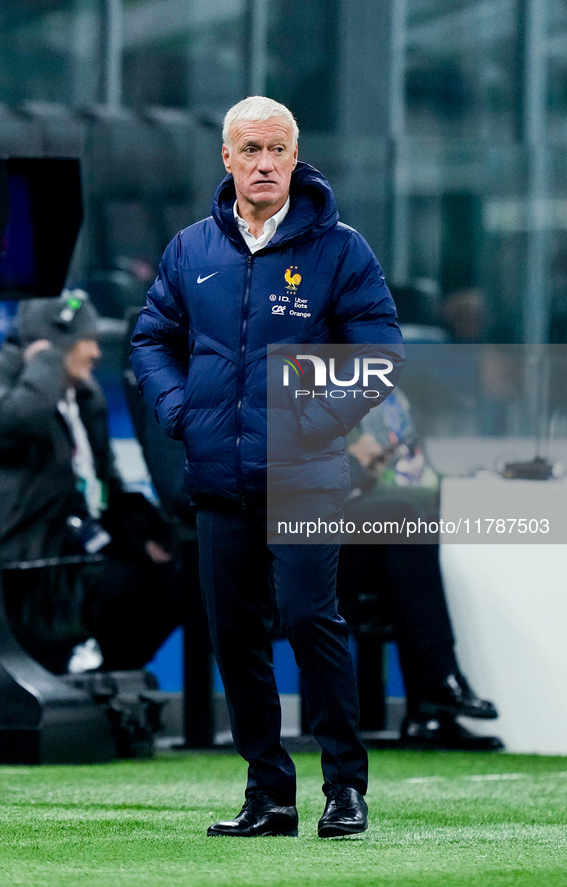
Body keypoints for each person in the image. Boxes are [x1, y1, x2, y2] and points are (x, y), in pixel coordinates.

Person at [131, 96, 403, 839]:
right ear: (225, 158)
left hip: (307, 475)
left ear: (295, 157)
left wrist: (309, 425)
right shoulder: (191, 249)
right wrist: (182, 412)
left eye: (275, 149)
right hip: (219, 478)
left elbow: (378, 355)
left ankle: (344, 788)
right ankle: (269, 795)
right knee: (235, 636)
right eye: (249, 149)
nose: (262, 163)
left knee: (313, 619)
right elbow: (150, 338)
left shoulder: (340, 249)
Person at [0, 289, 183, 674]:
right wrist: (45, 359)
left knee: (172, 581)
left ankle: (109, 681)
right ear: (56, 342)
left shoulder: (85, 399)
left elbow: (105, 486)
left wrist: (143, 539)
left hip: (82, 553)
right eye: (86, 341)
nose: (96, 353)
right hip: (27, 566)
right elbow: (12, 423)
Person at [338, 390, 502, 750]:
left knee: (412, 528)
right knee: (401, 519)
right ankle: (438, 686)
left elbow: (411, 476)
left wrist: (463, 484)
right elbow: (286, 476)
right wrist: (354, 464)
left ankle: (431, 709)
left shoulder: (386, 400)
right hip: (292, 541)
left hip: (353, 537)